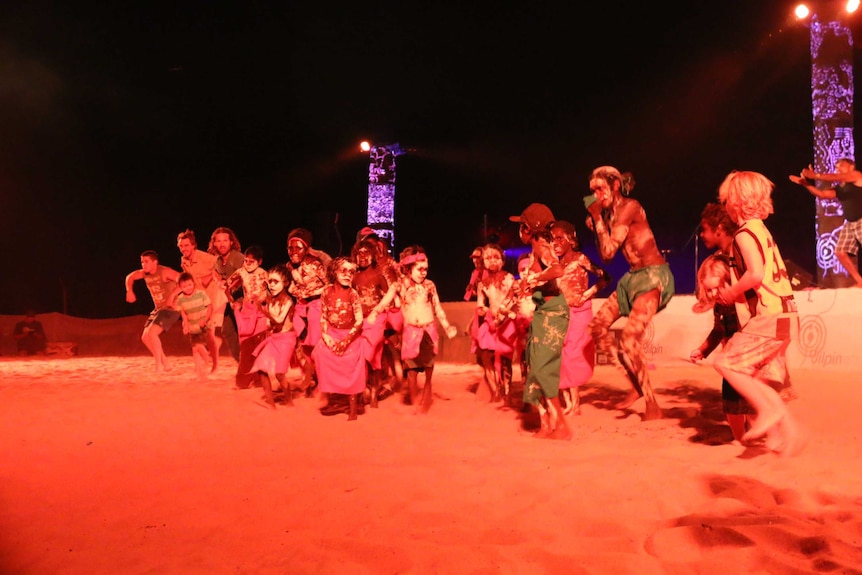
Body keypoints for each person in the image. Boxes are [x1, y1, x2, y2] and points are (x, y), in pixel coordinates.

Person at [713, 170, 804, 456]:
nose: (724, 204)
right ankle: (785, 436)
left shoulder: (744, 234)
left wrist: (729, 292)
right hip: (788, 314)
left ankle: (769, 413)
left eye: (726, 198)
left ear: (736, 202)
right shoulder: (762, 230)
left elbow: (755, 274)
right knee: (759, 379)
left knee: (726, 364)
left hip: (770, 315)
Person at [584, 166, 674, 421]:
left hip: (653, 275)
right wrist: (598, 223)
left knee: (629, 339)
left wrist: (598, 221)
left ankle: (652, 404)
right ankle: (634, 385)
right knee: (597, 327)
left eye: (600, 188)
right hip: (633, 278)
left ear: (614, 186)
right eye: (592, 191)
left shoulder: (630, 207)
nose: (596, 194)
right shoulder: (611, 215)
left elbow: (610, 252)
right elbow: (605, 256)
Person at [509, 203, 571, 439]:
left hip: (553, 313)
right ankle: (546, 424)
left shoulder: (543, 246)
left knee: (543, 368)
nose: (520, 231)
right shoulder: (536, 249)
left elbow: (557, 271)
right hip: (543, 311)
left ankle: (562, 425)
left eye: (522, 226)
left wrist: (534, 279)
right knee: (535, 367)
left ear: (529, 228)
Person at [551, 220, 610, 415]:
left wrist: (586, 295)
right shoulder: (555, 265)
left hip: (580, 312)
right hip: (561, 313)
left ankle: (575, 404)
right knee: (560, 356)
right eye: (552, 239)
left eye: (560, 238)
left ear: (571, 239)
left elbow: (605, 277)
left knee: (573, 355)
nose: (555, 243)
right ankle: (568, 402)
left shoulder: (580, 258)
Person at [396, 248, 458, 414]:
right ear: (409, 269)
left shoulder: (430, 286)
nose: (423, 273)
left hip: (428, 331)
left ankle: (427, 394)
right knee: (411, 370)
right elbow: (387, 303)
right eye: (419, 269)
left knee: (429, 368)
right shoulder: (400, 286)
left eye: (426, 269)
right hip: (410, 333)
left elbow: (437, 308)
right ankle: (416, 402)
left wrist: (447, 326)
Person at [312, 257, 368, 420]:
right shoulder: (326, 292)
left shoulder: (352, 294)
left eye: (351, 271)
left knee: (351, 366)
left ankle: (352, 409)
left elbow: (359, 321)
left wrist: (346, 341)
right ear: (333, 272)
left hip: (350, 337)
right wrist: (325, 335)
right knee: (320, 354)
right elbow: (323, 316)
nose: (347, 274)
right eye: (343, 270)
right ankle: (333, 400)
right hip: (332, 334)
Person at [792, 159, 862, 286]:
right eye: (836, 166)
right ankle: (860, 281)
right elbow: (822, 194)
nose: (838, 168)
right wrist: (806, 184)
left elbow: (837, 176)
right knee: (840, 252)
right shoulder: (840, 187)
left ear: (851, 167)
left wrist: (815, 175)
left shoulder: (857, 176)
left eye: (841, 165)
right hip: (850, 222)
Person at [351, 238, 397, 407]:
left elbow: (389, 296)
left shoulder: (379, 275)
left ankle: (373, 392)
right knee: (366, 358)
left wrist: (379, 311)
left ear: (373, 255)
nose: (362, 256)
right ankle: (368, 391)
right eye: (359, 253)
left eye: (366, 253)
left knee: (370, 356)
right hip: (361, 322)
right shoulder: (354, 277)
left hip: (377, 321)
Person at [286, 228, 328, 395]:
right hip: (300, 307)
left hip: (317, 307)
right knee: (298, 342)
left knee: (316, 344)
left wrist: (310, 293)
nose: (294, 252)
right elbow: (291, 286)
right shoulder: (289, 266)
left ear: (306, 248)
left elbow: (329, 285)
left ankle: (319, 380)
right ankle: (309, 374)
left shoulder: (315, 264)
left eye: (298, 248)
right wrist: (297, 292)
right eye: (291, 248)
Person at [249, 264, 297, 409]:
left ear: (286, 283)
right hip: (274, 338)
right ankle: (271, 403)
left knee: (279, 374)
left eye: (276, 282)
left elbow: (279, 321)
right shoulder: (270, 300)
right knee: (262, 370)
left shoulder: (288, 301)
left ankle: (289, 401)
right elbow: (271, 324)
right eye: (270, 281)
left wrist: (262, 311)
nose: (272, 285)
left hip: (287, 339)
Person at [125, 250, 182, 372]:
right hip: (159, 309)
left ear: (155, 262)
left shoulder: (165, 272)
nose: (143, 264)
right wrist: (129, 290)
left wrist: (172, 296)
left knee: (152, 333)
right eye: (142, 262)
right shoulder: (145, 273)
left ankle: (158, 365)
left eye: (146, 262)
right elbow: (130, 277)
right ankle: (165, 363)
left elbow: (183, 280)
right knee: (145, 337)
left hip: (171, 309)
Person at [474, 243, 516, 403]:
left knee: (505, 360)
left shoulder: (509, 278)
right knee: (486, 358)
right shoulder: (482, 284)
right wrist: (482, 310)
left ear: (503, 261)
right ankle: (495, 390)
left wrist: (504, 314)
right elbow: (480, 304)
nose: (492, 261)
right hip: (490, 323)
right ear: (483, 262)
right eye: (488, 258)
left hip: (506, 323)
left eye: (496, 258)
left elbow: (513, 299)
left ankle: (507, 392)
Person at [226, 246, 270, 389]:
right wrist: (232, 302)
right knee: (246, 346)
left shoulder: (264, 274)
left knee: (259, 347)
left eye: (252, 261)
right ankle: (242, 382)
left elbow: (273, 292)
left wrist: (264, 300)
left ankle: (258, 382)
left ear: (260, 261)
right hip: (247, 310)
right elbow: (227, 286)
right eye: (246, 260)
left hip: (261, 311)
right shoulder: (240, 272)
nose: (248, 264)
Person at [207, 227, 244, 361]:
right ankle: (242, 363)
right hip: (230, 301)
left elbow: (245, 276)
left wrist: (227, 283)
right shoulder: (218, 261)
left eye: (225, 240)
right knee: (227, 330)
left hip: (243, 300)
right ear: (214, 243)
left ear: (231, 242)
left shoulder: (237, 257)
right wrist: (218, 281)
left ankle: (249, 365)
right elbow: (215, 273)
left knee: (245, 333)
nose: (222, 244)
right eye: (219, 241)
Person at [173, 272, 215, 379]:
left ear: (194, 284)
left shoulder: (201, 294)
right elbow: (183, 312)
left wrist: (205, 320)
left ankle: (207, 361)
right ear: (180, 287)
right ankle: (199, 369)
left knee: (198, 346)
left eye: (189, 285)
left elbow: (210, 307)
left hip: (203, 324)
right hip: (192, 326)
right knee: (195, 348)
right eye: (184, 286)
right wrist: (185, 324)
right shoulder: (181, 298)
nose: (187, 288)